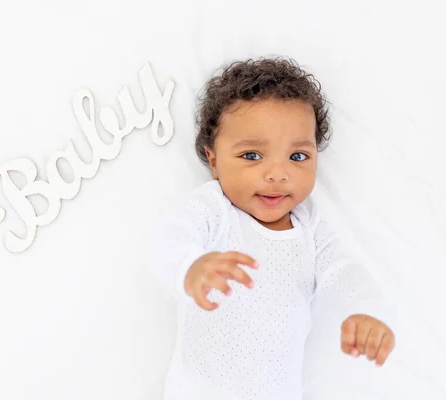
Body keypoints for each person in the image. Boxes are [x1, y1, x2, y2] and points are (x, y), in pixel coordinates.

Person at [147, 56, 395, 400]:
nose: (277, 174)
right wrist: (190, 267)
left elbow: (346, 273)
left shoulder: (311, 227)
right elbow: (168, 239)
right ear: (214, 160)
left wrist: (366, 311)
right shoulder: (215, 209)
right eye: (252, 156)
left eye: (297, 157)